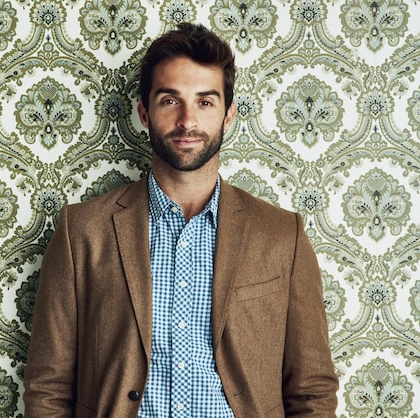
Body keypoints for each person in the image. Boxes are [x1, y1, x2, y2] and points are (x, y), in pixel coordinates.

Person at [23, 22, 338, 417]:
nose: (188, 121)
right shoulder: (82, 231)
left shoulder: (281, 235)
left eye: (206, 102)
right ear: (143, 111)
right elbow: (47, 387)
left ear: (228, 114)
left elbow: (312, 390)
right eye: (170, 100)